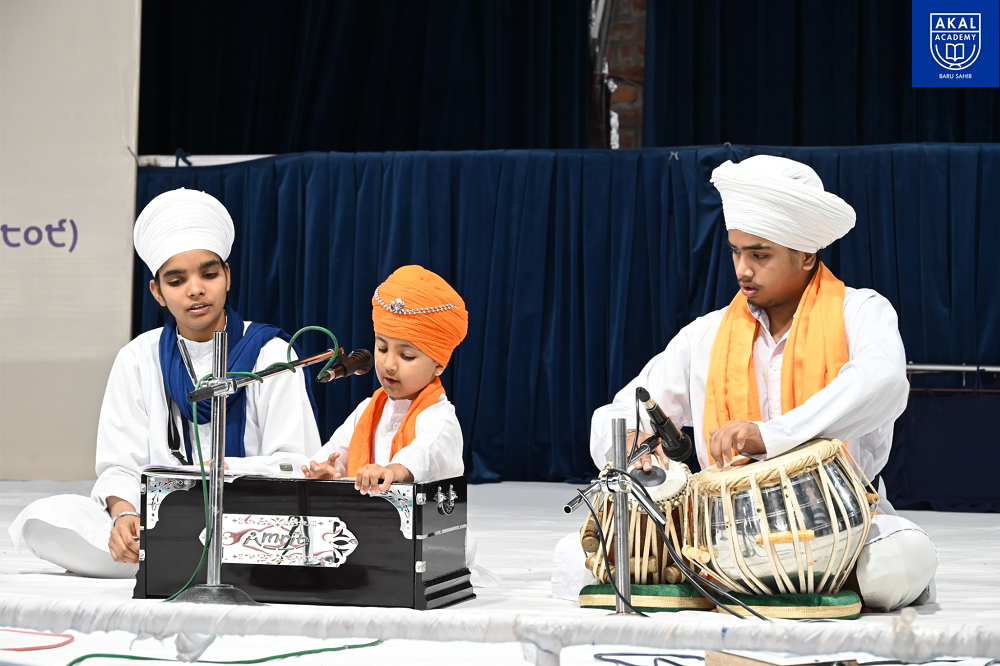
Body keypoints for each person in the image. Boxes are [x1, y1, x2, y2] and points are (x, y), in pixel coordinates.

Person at [552, 155, 937, 612]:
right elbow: (621, 410)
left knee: (895, 563)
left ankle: (740, 581)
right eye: (736, 252)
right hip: (721, 529)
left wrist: (770, 436)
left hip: (843, 523)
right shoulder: (707, 334)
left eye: (760, 254)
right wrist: (632, 444)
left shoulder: (860, 312)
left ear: (807, 254)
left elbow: (883, 382)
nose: (743, 270)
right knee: (571, 560)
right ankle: (717, 573)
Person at [9, 188, 322, 578]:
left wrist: (221, 472)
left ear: (227, 275)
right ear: (157, 292)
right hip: (163, 524)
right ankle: (157, 553)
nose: (195, 289)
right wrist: (124, 513)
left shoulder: (273, 355)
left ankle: (178, 561)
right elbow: (119, 466)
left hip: (254, 521)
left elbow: (299, 464)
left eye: (208, 274)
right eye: (177, 281)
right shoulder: (138, 359)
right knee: (46, 517)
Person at [303, 265, 467, 494]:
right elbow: (334, 453)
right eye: (381, 348)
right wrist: (324, 470)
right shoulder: (367, 410)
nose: (388, 364)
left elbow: (426, 451)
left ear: (439, 364)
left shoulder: (440, 418)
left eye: (406, 355)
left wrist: (396, 470)